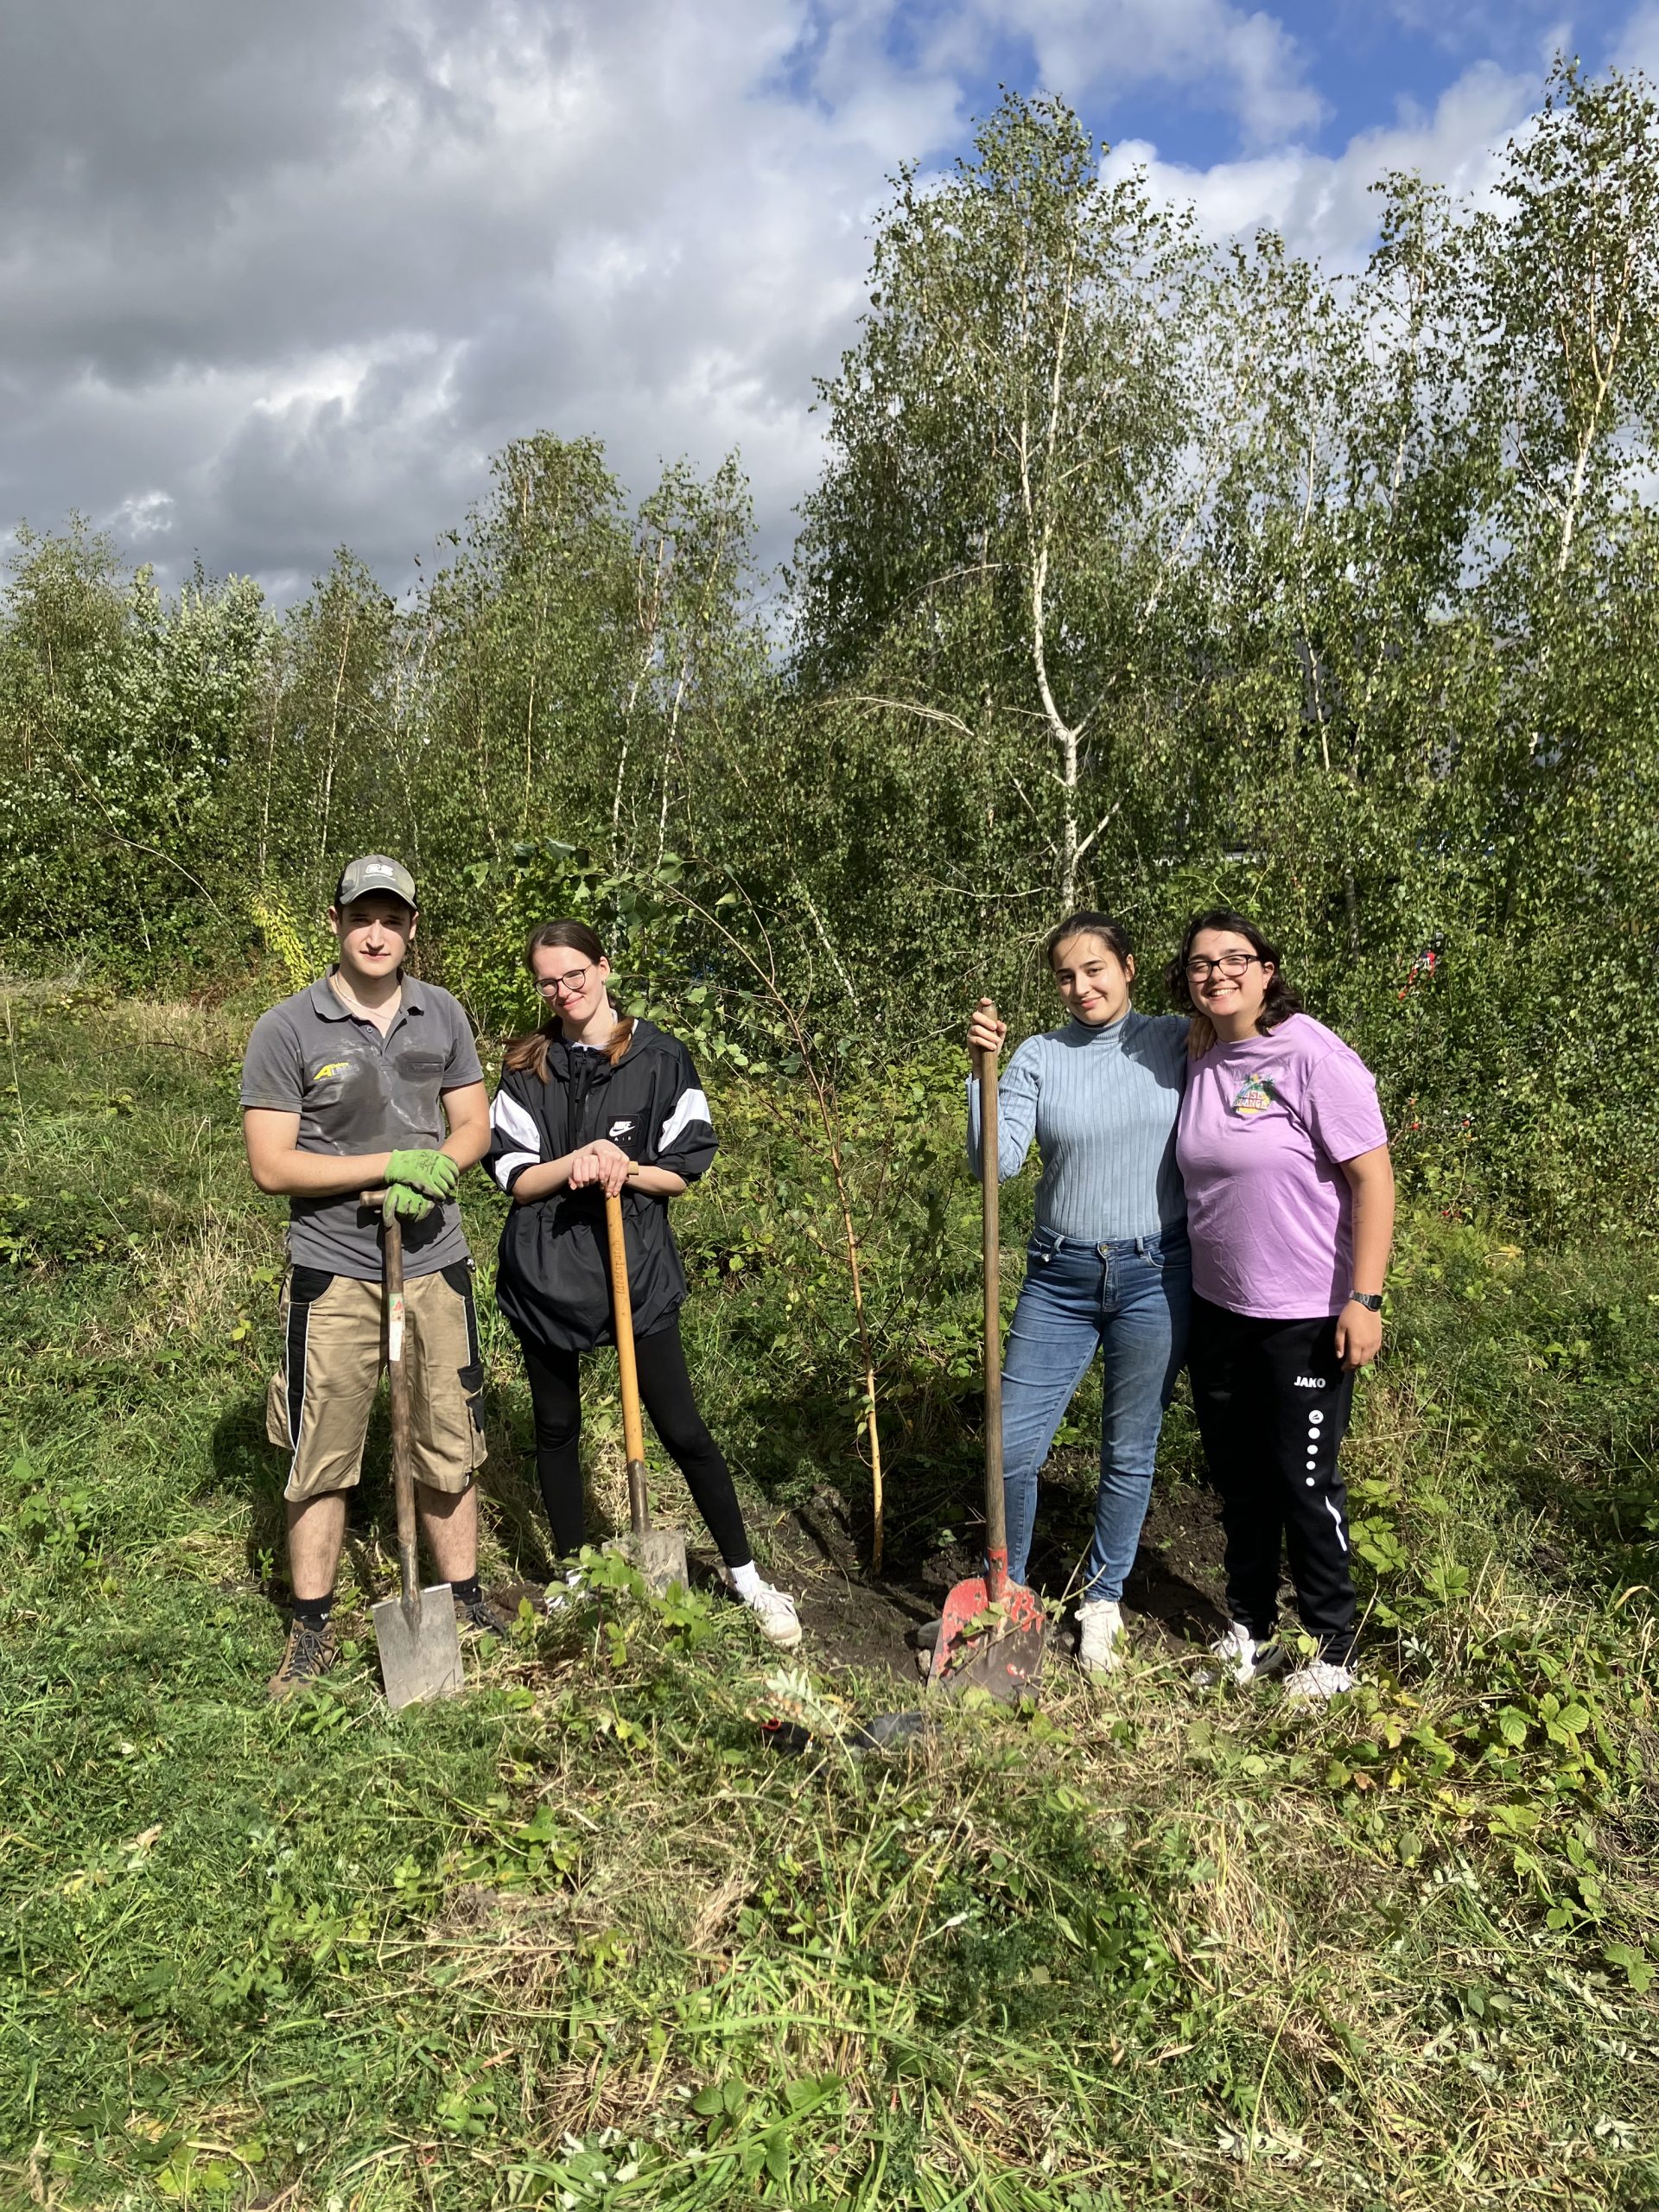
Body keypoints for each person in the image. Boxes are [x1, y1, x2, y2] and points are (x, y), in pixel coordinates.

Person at [486, 920, 801, 1649]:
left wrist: (626, 1168)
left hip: (636, 1267)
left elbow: (683, 1169)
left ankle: (747, 1578)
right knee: (555, 1427)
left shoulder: (660, 1057)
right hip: (545, 1269)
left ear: (603, 967)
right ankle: (574, 1577)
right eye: (547, 981)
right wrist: (576, 1163)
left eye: (574, 975)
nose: (563, 992)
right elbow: (515, 1176)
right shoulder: (528, 1065)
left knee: (682, 1428)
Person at [241, 855, 506, 1699]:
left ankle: (464, 1600)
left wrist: (441, 1166)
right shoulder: (287, 1027)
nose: (377, 933)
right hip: (335, 1273)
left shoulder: (443, 1014)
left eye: (393, 918)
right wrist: (387, 1163)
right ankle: (312, 1627)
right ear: (336, 921)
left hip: (434, 1265)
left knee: (447, 1439)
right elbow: (271, 1165)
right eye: (362, 916)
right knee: (321, 1450)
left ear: (412, 928)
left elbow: (473, 1124)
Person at [1169, 907, 1395, 1701]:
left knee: (1304, 1483)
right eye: (1201, 963)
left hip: (1306, 1315)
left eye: (1235, 958)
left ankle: (1334, 1652)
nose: (1217, 974)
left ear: (1267, 971)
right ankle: (1253, 1630)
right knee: (1238, 1481)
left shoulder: (1312, 1054)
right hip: (1218, 1309)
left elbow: (1374, 1179)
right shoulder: (1199, 1051)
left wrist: (1364, 1298)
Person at [967, 912, 1192, 1678]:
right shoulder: (1038, 1055)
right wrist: (982, 1074)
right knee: (1011, 1449)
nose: (1081, 986)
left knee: (1128, 1449)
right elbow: (995, 1164)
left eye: (1095, 969)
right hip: (1058, 1277)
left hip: (1155, 1273)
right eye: (1066, 976)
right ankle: (1007, 1595)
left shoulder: (1175, 1041)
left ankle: (1102, 1599)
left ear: (1128, 967)